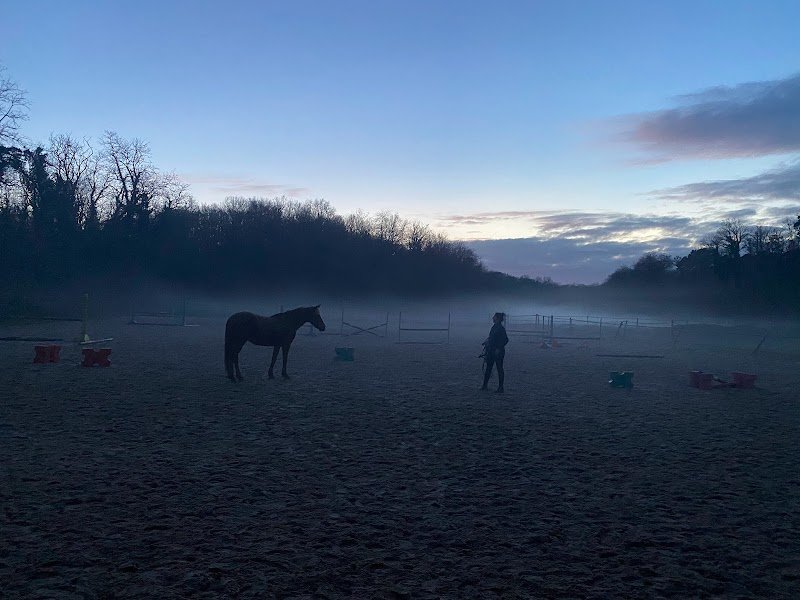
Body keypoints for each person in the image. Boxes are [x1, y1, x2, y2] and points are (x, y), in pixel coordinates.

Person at [481, 312, 509, 393]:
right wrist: (487, 342)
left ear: (497, 318)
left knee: (499, 368)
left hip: (498, 352)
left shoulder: (501, 328)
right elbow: (491, 337)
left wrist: (499, 348)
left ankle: (501, 388)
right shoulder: (494, 327)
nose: (492, 318)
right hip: (491, 350)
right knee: (488, 368)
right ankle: (484, 385)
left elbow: (506, 340)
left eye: (494, 317)